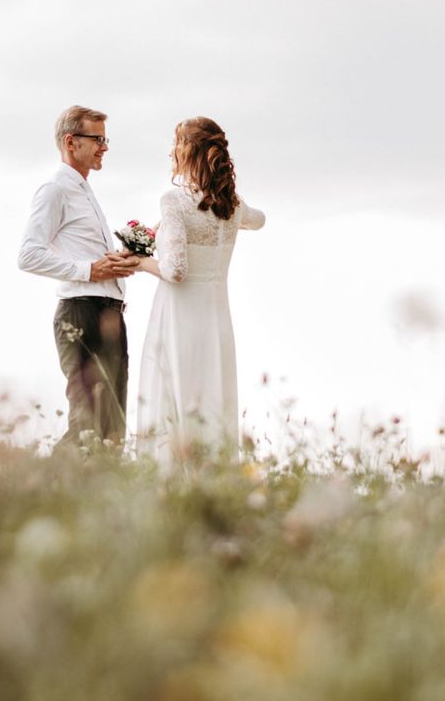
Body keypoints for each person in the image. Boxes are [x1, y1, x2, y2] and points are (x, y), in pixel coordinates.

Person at [134, 116, 266, 461]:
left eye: (176, 144)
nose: (171, 152)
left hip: (179, 318)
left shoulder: (174, 201)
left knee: (173, 403)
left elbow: (175, 270)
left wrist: (137, 262)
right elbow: (260, 219)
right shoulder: (233, 205)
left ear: (190, 151)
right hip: (216, 319)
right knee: (212, 403)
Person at [19, 105, 140, 445]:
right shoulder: (54, 190)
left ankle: (101, 498)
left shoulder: (86, 191)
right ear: (71, 142)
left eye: (106, 139)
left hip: (110, 314)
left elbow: (88, 255)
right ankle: (37, 493)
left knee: (113, 429)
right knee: (88, 425)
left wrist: (118, 263)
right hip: (80, 313)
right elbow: (28, 255)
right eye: (97, 139)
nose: (104, 147)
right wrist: (88, 270)